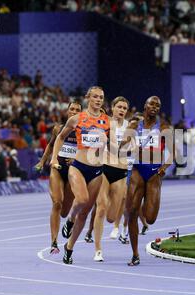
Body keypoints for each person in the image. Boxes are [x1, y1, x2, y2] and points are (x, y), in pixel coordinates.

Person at [51, 86, 110, 265]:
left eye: (101, 97)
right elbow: (60, 137)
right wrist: (54, 157)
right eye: (95, 97)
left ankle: (69, 248)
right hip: (78, 167)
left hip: (97, 171)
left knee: (84, 214)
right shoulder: (77, 119)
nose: (98, 100)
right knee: (82, 199)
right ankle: (69, 220)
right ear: (88, 98)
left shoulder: (109, 122)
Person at [125, 96, 173, 266]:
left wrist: (163, 168)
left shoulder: (164, 127)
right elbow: (122, 146)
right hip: (137, 169)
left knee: (150, 218)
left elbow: (173, 153)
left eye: (158, 105)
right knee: (131, 212)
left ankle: (144, 214)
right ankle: (135, 254)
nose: (154, 107)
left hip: (153, 173)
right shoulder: (134, 125)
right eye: (152, 103)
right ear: (145, 105)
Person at [35, 101, 82, 254]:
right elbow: (50, 145)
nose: (74, 111)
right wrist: (43, 161)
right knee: (57, 203)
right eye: (72, 109)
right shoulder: (58, 128)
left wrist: (77, 160)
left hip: (74, 172)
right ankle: (54, 243)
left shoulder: (85, 131)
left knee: (64, 211)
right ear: (67, 111)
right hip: (57, 169)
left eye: (77, 110)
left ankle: (69, 221)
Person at [92, 96, 131, 262]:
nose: (121, 110)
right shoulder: (105, 122)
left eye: (124, 108)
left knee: (111, 215)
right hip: (104, 169)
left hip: (121, 172)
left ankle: (115, 225)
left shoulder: (130, 126)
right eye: (119, 107)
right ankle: (98, 250)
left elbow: (131, 148)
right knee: (101, 208)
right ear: (112, 108)